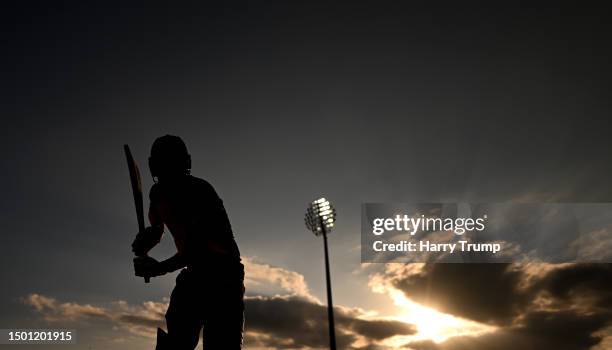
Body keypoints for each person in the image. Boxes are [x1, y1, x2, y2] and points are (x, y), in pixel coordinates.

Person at [131, 135, 244, 349]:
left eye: (171, 163)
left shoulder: (199, 192)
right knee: (177, 335)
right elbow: (157, 229)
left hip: (223, 274)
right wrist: (145, 242)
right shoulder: (157, 194)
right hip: (194, 272)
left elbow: (197, 249)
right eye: (162, 164)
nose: (167, 172)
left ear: (184, 165)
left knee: (221, 343)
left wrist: (158, 268)